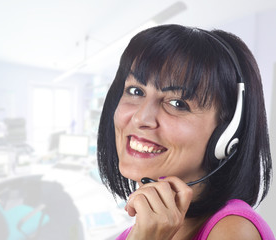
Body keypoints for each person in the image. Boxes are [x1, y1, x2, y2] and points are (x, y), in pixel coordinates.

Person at [97, 24, 274, 239]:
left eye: (177, 103)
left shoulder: (233, 230)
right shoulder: (136, 232)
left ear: (228, 134)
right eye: (136, 91)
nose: (140, 118)